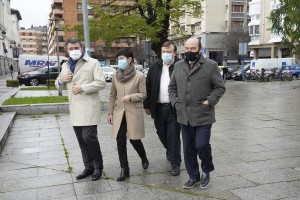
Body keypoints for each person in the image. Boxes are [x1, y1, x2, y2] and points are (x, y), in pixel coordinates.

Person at [169, 38, 225, 189]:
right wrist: (175, 102)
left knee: (201, 144)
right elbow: (172, 88)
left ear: (200, 49)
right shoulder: (178, 66)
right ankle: (193, 176)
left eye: (192, 48)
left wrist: (210, 100)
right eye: (187, 48)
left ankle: (206, 171)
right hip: (184, 115)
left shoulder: (211, 66)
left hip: (203, 114)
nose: (189, 51)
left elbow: (220, 87)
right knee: (188, 147)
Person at [55, 38, 106, 181]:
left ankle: (98, 166)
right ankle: (88, 167)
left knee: (89, 137)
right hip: (75, 108)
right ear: (67, 49)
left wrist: (83, 87)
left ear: (81, 47)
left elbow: (101, 83)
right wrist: (61, 80)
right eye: (70, 48)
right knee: (81, 140)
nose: (74, 51)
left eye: (76, 47)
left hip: (89, 106)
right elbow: (58, 85)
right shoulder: (65, 65)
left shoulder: (93, 63)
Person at [107, 49, 149, 182]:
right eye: (118, 58)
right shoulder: (115, 75)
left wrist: (131, 97)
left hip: (133, 111)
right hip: (119, 112)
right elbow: (112, 95)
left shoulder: (139, 75)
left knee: (134, 140)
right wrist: (110, 113)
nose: (120, 61)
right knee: (120, 141)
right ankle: (124, 169)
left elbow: (143, 94)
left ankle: (143, 157)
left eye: (122, 58)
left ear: (130, 59)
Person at [143, 41, 181, 176]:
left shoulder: (181, 66)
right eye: (163, 52)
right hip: (158, 108)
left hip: (175, 108)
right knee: (161, 134)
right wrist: (146, 105)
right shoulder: (155, 67)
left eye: (168, 51)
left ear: (174, 53)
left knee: (173, 136)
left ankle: (175, 163)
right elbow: (148, 86)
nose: (166, 54)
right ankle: (170, 151)